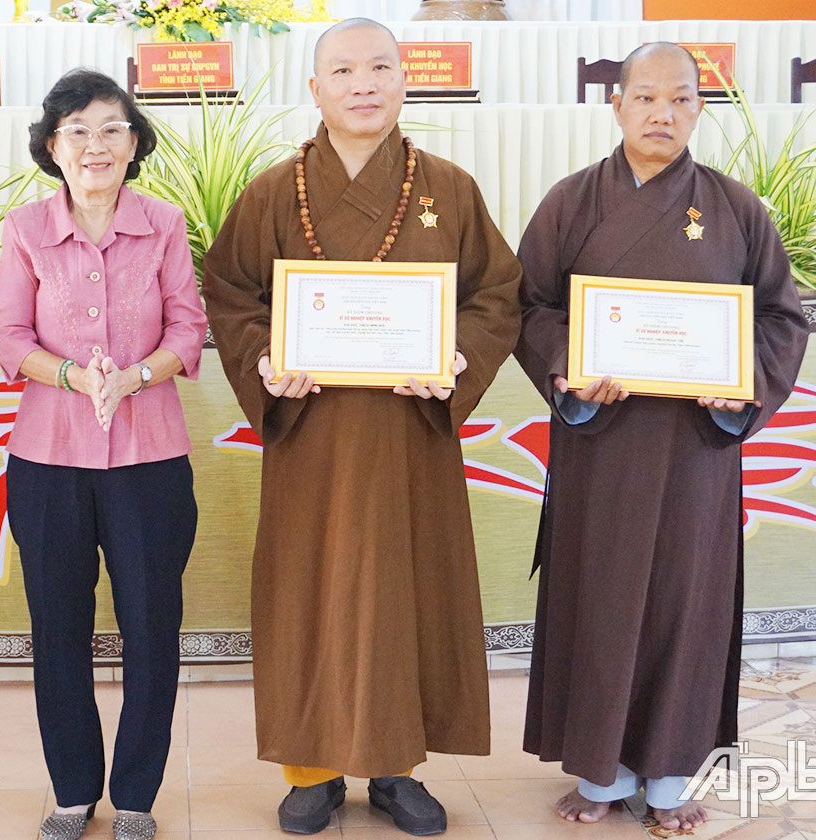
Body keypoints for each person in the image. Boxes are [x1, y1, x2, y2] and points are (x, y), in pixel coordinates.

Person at [202, 18, 522, 837]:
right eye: (342, 70)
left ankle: (394, 766)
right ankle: (312, 769)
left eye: (380, 66)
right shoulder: (277, 190)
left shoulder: (447, 188)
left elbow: (497, 295)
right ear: (315, 89)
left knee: (404, 593)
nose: (363, 83)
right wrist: (265, 361)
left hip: (411, 432)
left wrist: (454, 359)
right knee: (312, 591)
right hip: (312, 433)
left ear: (405, 80)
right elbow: (232, 294)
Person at [513, 42, 809, 831]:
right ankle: (603, 777)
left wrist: (738, 377)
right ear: (616, 104)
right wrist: (569, 368)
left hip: (694, 452)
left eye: (680, 99)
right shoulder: (572, 201)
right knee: (598, 602)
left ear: (699, 110)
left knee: (687, 608)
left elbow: (781, 317)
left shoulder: (737, 207)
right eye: (646, 97)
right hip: (602, 444)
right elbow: (530, 305)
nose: (662, 113)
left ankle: (671, 779)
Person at [0, 68, 206, 840]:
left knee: (153, 623)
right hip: (49, 457)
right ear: (53, 146)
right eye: (77, 130)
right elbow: (9, 337)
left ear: (135, 142)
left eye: (113, 128)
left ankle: (138, 794)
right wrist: (78, 378)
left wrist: (141, 375)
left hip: (150, 456)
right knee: (58, 625)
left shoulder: (165, 223)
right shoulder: (26, 230)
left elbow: (188, 327)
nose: (95, 144)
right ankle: (74, 789)